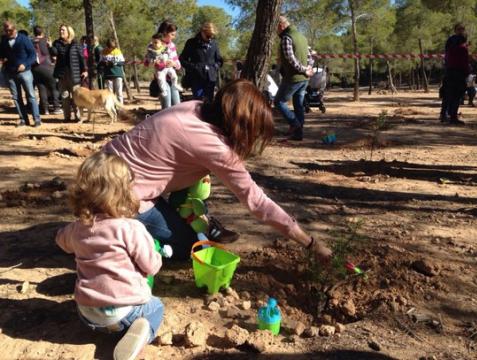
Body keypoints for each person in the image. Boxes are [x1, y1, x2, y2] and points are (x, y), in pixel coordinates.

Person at [103, 79, 332, 262]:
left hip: (100, 170)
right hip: (119, 195)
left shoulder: (194, 107)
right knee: (192, 248)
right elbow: (258, 203)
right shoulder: (215, 148)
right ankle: (104, 234)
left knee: (200, 231)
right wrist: (310, 243)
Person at [55, 152, 164, 360]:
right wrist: (156, 253)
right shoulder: (130, 228)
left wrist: (69, 235)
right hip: (125, 312)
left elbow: (61, 241)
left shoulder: (77, 228)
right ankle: (143, 332)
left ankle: (110, 327)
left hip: (86, 315)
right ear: (125, 192)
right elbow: (151, 267)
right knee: (156, 306)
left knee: (96, 308)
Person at [274, 16, 314, 141]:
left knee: (278, 102)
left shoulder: (287, 38)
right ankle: (298, 133)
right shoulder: (302, 37)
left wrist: (303, 69)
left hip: (293, 78)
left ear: (281, 26)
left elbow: (291, 59)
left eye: (275, 28)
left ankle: (295, 125)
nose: (275, 32)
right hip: (304, 79)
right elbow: (310, 57)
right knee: (298, 105)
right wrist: (309, 69)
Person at [0, 21, 42, 127]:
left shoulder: (24, 39)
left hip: (25, 72)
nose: (7, 32)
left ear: (15, 29)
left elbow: (33, 55)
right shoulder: (4, 40)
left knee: (31, 96)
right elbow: (2, 53)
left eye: (9, 30)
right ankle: (23, 119)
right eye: (5, 31)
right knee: (16, 97)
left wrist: (25, 64)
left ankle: (36, 119)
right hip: (10, 73)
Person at [51, 24, 87, 122]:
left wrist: (85, 70)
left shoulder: (76, 44)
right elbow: (54, 53)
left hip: (74, 74)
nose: (61, 32)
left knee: (76, 97)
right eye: (60, 30)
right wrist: (50, 46)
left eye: (63, 30)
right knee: (64, 96)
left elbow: (81, 59)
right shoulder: (57, 43)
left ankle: (78, 117)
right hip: (62, 74)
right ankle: (67, 117)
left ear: (69, 32)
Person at [180, 22, 223, 102]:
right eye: (208, 35)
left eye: (212, 36)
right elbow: (182, 59)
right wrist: (195, 67)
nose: (210, 38)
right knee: (198, 102)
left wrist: (214, 67)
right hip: (196, 78)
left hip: (211, 79)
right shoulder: (191, 43)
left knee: (209, 102)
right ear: (202, 32)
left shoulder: (214, 43)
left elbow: (219, 60)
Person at [144, 22, 182, 109]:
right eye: (172, 34)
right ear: (165, 33)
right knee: (167, 107)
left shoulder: (172, 45)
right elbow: (146, 62)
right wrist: (153, 62)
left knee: (177, 106)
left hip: (171, 78)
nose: (174, 37)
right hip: (161, 80)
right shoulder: (153, 45)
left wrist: (173, 64)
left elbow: (178, 64)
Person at [440, 24, 469, 125]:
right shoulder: (463, 49)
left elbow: (446, 59)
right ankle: (453, 117)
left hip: (448, 72)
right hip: (458, 73)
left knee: (447, 95)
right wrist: (466, 73)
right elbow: (464, 63)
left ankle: (443, 115)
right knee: (456, 96)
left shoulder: (449, 47)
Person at [31, 25, 62, 115]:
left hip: (35, 68)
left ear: (34, 32)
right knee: (54, 87)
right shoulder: (46, 40)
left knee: (41, 88)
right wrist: (51, 45)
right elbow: (54, 53)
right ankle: (56, 107)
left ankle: (45, 109)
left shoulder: (31, 41)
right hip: (47, 66)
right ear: (42, 32)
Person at [99, 38, 125, 104]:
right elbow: (100, 63)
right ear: (107, 46)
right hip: (108, 75)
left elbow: (122, 62)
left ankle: (120, 109)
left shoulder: (118, 51)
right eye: (110, 47)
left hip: (117, 74)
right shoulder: (103, 52)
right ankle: (112, 108)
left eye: (113, 48)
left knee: (119, 92)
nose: (111, 49)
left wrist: (115, 63)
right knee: (110, 94)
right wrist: (105, 63)